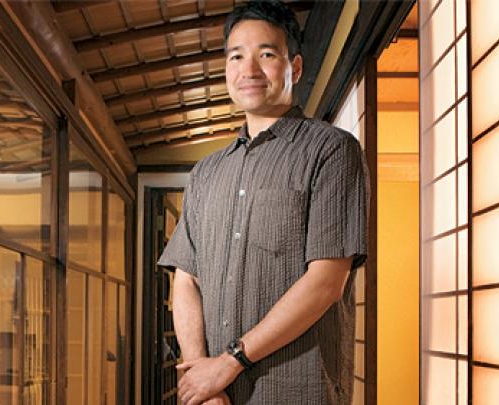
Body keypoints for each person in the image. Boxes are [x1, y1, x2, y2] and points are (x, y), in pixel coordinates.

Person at [156, 1, 369, 404]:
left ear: (296, 67)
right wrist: (202, 375)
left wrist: (228, 363)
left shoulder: (332, 151)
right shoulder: (206, 172)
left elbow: (326, 281)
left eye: (266, 54)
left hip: (297, 391)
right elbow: (185, 278)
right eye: (236, 56)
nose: (249, 70)